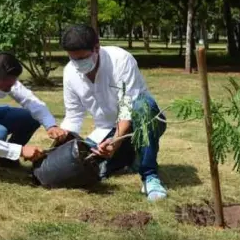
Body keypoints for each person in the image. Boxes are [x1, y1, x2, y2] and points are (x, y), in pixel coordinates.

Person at [59, 25, 167, 201]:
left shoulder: (120, 60)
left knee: (142, 107)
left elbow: (127, 108)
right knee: (88, 165)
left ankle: (150, 176)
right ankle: (130, 157)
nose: (78, 64)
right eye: (73, 59)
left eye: (83, 58)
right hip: (106, 130)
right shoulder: (70, 72)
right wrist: (62, 138)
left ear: (97, 47)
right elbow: (73, 115)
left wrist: (114, 143)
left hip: (143, 121)